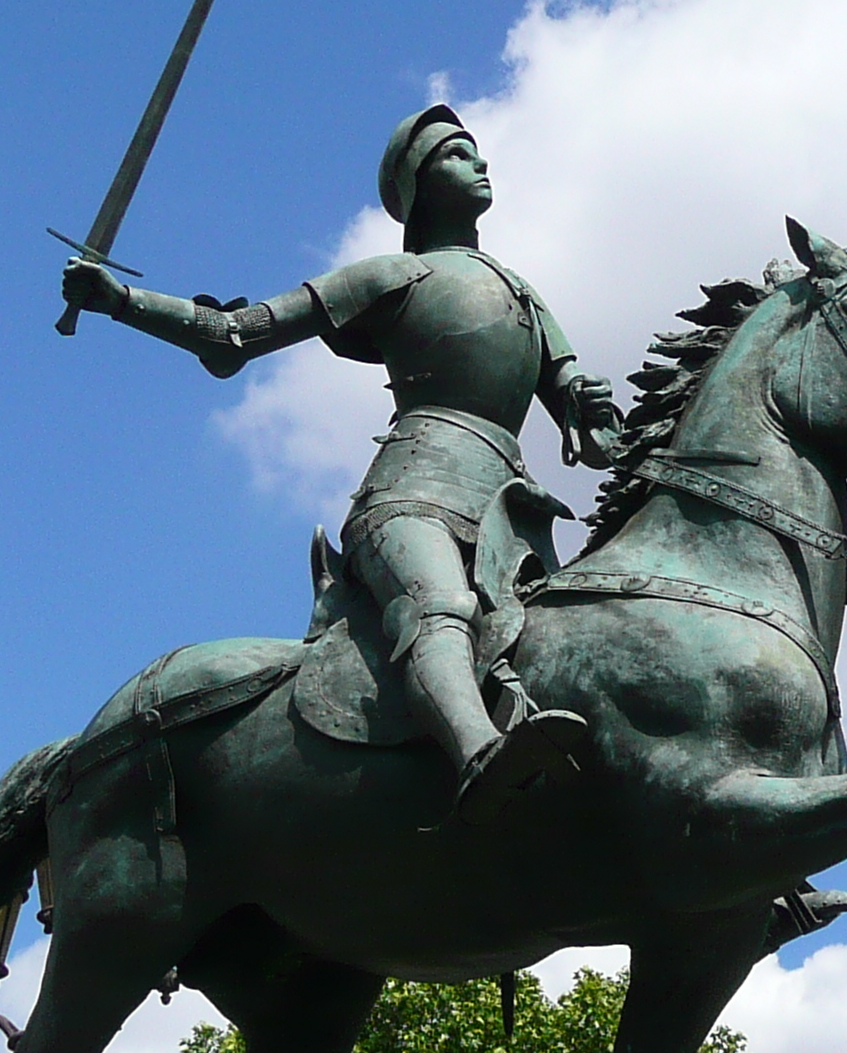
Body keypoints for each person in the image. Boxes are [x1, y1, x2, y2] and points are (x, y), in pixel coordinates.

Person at [61, 106, 623, 823]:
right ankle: (481, 753)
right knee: (439, 606)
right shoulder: (393, 275)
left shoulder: (524, 295)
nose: (480, 165)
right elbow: (238, 335)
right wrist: (123, 301)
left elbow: (594, 437)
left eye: (477, 153)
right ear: (418, 185)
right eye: (456, 155)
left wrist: (594, 409)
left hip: (512, 516)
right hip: (412, 498)